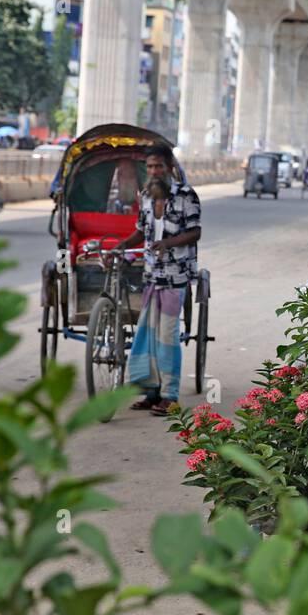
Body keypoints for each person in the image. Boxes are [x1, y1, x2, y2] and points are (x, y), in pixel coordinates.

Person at [116, 146, 202, 415]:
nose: (154, 172)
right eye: (150, 167)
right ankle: (151, 392)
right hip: (152, 275)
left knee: (167, 335)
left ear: (170, 168)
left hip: (175, 278)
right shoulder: (145, 196)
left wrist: (168, 243)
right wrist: (123, 245)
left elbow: (195, 232)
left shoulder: (187, 196)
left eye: (159, 167)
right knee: (149, 335)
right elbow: (141, 231)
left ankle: (170, 395)